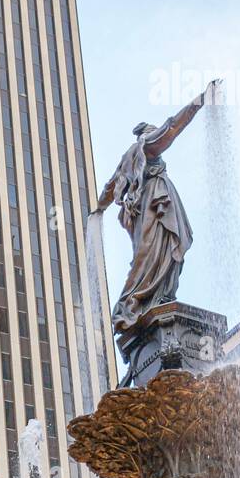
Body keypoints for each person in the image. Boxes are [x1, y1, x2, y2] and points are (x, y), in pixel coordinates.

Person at [95, 80, 222, 334]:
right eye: (152, 134)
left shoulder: (127, 162)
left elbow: (109, 189)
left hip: (154, 205)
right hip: (155, 205)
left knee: (156, 254)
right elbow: (171, 128)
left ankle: (153, 299)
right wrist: (198, 102)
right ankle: (138, 301)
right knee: (152, 254)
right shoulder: (143, 148)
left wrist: (99, 208)